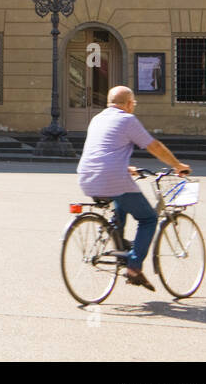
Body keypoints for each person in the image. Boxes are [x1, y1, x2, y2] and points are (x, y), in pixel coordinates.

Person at [76, 86, 191, 291]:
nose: (134, 107)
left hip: (86, 177)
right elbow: (154, 146)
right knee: (148, 219)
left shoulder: (98, 118)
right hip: (112, 178)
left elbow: (102, 150)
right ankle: (134, 267)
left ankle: (118, 244)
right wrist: (177, 165)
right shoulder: (127, 119)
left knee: (122, 200)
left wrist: (125, 167)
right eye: (134, 103)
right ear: (129, 103)